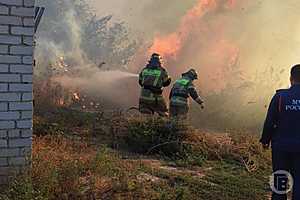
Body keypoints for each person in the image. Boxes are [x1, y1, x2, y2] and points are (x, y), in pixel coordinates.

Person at [260, 64, 300, 200]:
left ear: (291, 78)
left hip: (280, 148)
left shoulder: (280, 97)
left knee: (280, 182)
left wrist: (265, 141)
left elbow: (270, 122)